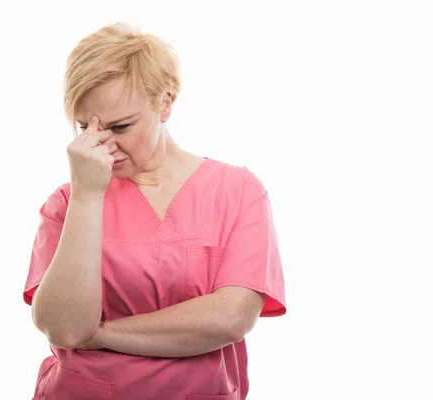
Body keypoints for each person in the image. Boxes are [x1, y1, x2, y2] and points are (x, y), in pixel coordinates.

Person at [23, 22, 286, 400]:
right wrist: (87, 196)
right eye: (85, 127)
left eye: (121, 126)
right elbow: (64, 329)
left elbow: (231, 317)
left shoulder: (238, 191)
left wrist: (99, 334)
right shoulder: (67, 203)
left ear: (165, 103)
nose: (100, 146)